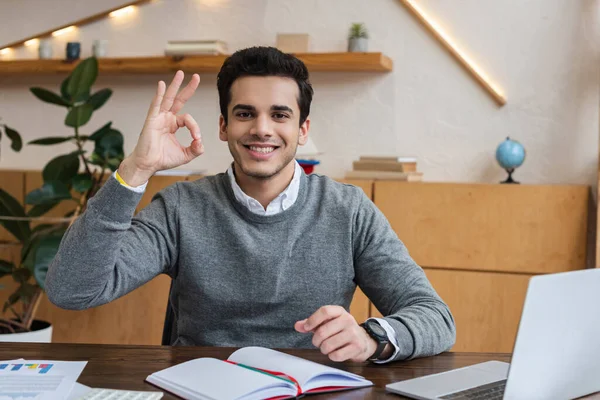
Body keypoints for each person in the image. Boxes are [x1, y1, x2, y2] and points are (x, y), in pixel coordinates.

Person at [45, 46, 455, 363]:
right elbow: (72, 290)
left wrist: (372, 339)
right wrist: (136, 169)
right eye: (245, 114)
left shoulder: (348, 210)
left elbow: (435, 316)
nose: (262, 129)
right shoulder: (181, 207)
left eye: (280, 115)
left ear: (302, 129)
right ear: (223, 126)